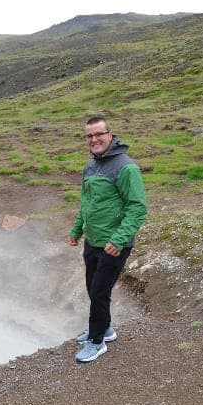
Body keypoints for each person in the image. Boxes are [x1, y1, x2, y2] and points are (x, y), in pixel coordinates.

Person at [68, 116, 147, 363]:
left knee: (99, 292)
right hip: (93, 240)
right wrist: (77, 229)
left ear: (110, 135)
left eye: (99, 134)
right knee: (93, 288)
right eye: (89, 136)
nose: (94, 140)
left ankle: (96, 341)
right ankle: (106, 329)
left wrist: (119, 239)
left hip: (114, 245)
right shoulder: (90, 167)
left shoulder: (126, 168)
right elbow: (86, 203)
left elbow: (138, 208)